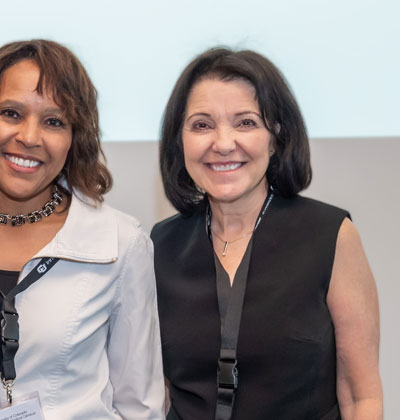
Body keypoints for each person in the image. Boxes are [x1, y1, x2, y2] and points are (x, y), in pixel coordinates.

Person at [0, 39, 164, 419]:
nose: (30, 137)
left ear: (73, 139)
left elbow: (140, 404)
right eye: (11, 113)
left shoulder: (121, 243)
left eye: (53, 121)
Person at [151, 47, 382, 420]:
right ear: (179, 141)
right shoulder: (159, 247)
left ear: (276, 137)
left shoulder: (331, 235)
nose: (223, 143)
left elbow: (361, 398)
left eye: (245, 123)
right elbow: (157, 394)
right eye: (202, 125)